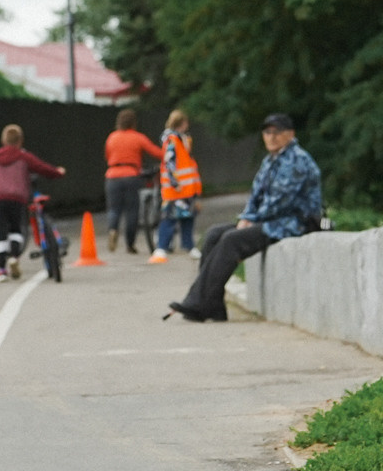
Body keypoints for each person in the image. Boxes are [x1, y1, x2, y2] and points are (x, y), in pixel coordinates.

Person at [167, 112, 321, 323]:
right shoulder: (271, 160)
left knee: (232, 240)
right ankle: (213, 306)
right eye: (267, 132)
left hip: (293, 223)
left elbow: (280, 202)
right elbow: (256, 194)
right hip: (271, 221)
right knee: (214, 234)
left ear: (290, 134)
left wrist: (252, 220)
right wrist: (247, 217)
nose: (271, 137)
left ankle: (197, 303)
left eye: (278, 132)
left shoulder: (297, 160)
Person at [0, 123, 64, 280]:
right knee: (16, 230)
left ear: (3, 140)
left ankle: (1, 270)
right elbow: (42, 168)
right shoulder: (23, 156)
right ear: (20, 141)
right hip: (17, 197)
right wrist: (58, 173)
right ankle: (14, 256)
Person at [103, 108, 163, 257]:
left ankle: (112, 229)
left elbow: (107, 155)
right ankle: (130, 244)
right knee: (132, 211)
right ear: (133, 122)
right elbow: (156, 152)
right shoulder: (138, 137)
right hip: (131, 175)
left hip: (112, 175)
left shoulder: (112, 137)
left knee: (114, 209)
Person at [149, 107, 203, 264]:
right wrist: (174, 182)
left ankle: (189, 245)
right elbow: (169, 162)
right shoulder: (172, 140)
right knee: (169, 219)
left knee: (188, 218)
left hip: (187, 189)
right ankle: (161, 248)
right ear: (182, 123)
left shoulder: (181, 139)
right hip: (176, 189)